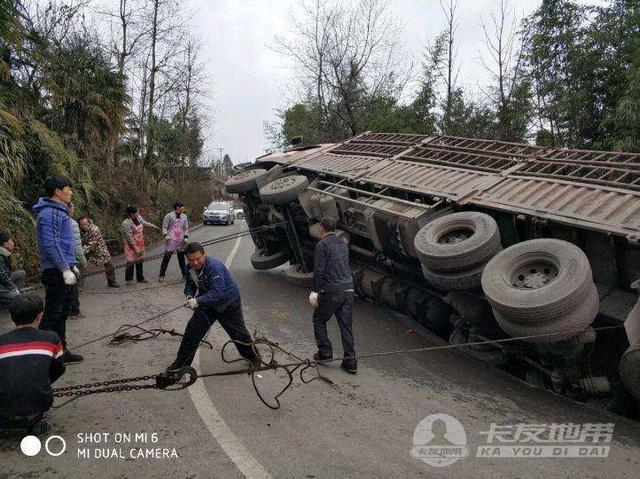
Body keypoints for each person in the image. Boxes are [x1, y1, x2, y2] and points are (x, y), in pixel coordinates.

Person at [166, 242, 260, 371]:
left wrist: (197, 301)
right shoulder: (190, 268)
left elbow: (218, 292)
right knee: (192, 331)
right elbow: (190, 284)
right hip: (207, 303)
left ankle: (254, 359)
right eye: (191, 260)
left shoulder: (213, 267)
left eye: (198, 259)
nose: (195, 263)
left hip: (228, 303)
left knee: (238, 333)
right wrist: (189, 296)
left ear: (204, 255)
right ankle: (182, 364)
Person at [33, 175, 83, 364]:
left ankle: (60, 351)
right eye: (68, 189)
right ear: (57, 192)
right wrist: (64, 268)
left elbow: (63, 243)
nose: (71, 192)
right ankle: (39, 356)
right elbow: (51, 243)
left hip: (63, 268)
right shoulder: (50, 213)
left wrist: (71, 265)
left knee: (62, 312)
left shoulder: (59, 212)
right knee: (52, 313)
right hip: (55, 271)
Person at [0, 294, 66, 435]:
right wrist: (39, 379)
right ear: (39, 316)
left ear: (11, 317)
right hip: (38, 404)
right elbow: (59, 369)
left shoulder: (2, 342)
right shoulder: (52, 338)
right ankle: (33, 419)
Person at [309, 216, 357, 374]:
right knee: (346, 326)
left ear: (322, 228)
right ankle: (350, 362)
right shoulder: (343, 244)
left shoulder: (322, 244)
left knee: (319, 319)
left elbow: (319, 270)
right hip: (348, 290)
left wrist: (315, 292)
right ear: (335, 229)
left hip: (332, 291)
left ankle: (325, 352)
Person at [78, 214, 120, 288]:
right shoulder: (79, 230)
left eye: (86, 224)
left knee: (109, 264)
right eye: (82, 225)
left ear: (89, 222)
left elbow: (92, 244)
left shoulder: (95, 229)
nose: (85, 226)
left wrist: (80, 251)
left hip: (99, 249)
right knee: (82, 266)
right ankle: (79, 286)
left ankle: (111, 282)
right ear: (80, 225)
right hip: (86, 250)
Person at [122, 205, 159, 285]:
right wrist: (135, 247)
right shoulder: (126, 223)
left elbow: (144, 223)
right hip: (131, 244)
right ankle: (129, 279)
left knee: (140, 259)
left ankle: (140, 278)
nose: (138, 213)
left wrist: (153, 226)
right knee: (130, 260)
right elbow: (129, 237)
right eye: (136, 212)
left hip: (140, 242)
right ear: (131, 214)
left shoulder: (139, 217)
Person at [159, 201, 190, 282]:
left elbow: (186, 228)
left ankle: (184, 274)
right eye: (182, 206)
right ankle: (162, 275)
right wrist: (165, 235)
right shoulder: (168, 216)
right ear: (177, 208)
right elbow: (164, 227)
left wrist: (186, 235)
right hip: (171, 240)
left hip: (181, 240)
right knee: (166, 258)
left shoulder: (184, 217)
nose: (184, 208)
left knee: (181, 258)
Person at [68, 203, 88, 320]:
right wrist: (83, 261)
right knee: (72, 287)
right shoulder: (72, 223)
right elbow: (76, 246)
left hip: (56, 261)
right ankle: (74, 312)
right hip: (69, 260)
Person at [0, 232, 26, 307]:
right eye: (11, 241)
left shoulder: (4, 253)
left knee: (21, 273)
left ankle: (14, 297)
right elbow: (2, 275)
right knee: (19, 298)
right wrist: (13, 288)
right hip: (1, 284)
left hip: (3, 282)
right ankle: (11, 299)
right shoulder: (1, 256)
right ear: (5, 244)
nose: (13, 244)